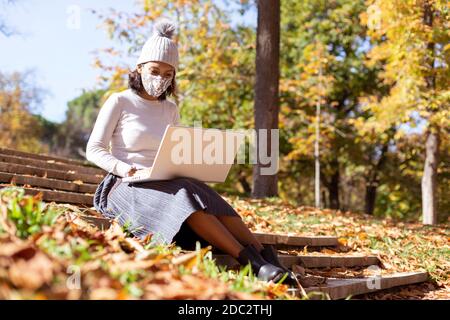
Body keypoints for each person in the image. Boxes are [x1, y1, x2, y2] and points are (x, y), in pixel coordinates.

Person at [86, 18, 295, 284]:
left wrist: (190, 162)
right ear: (138, 68)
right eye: (154, 70)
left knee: (202, 192)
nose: (160, 78)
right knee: (186, 193)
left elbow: (173, 149)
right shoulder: (120, 101)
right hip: (125, 184)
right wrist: (124, 167)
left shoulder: (170, 109)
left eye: (167, 73)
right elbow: (94, 149)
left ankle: (268, 257)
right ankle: (253, 263)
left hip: (163, 179)